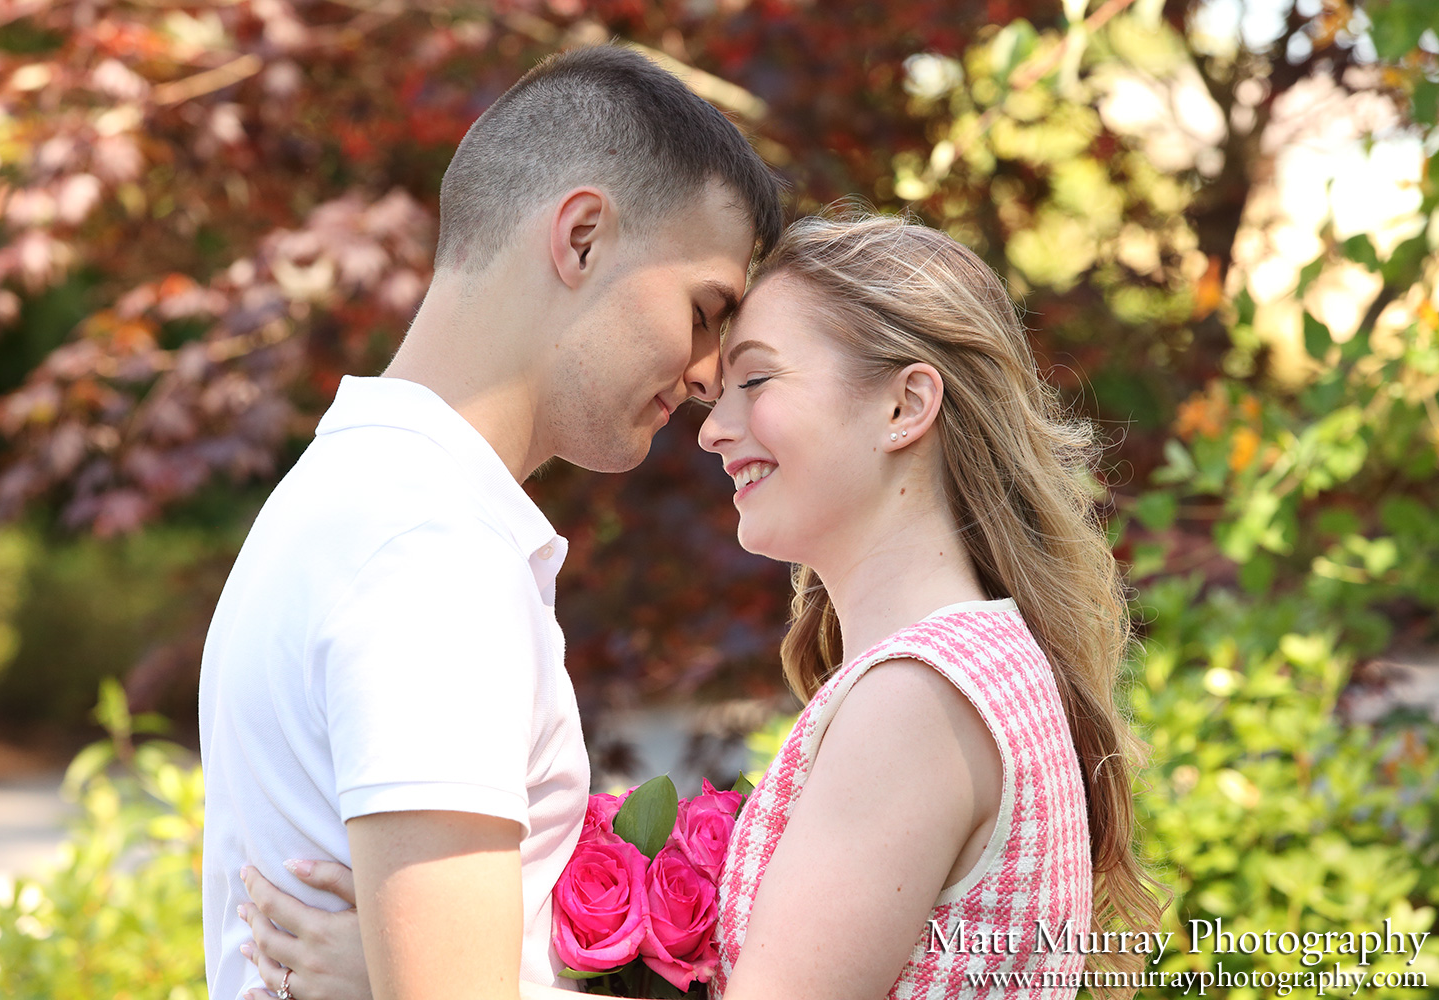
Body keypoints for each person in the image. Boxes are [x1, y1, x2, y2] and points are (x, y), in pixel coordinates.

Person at [237, 210, 1163, 1000]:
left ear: (904, 406)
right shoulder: (975, 665)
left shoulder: (917, 701)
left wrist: (412, 978)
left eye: (757, 380)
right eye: (717, 393)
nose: (713, 427)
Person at [197, 43, 782, 1000]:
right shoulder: (432, 555)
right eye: (706, 308)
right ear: (582, 236)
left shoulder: (347, 493)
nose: (712, 371)